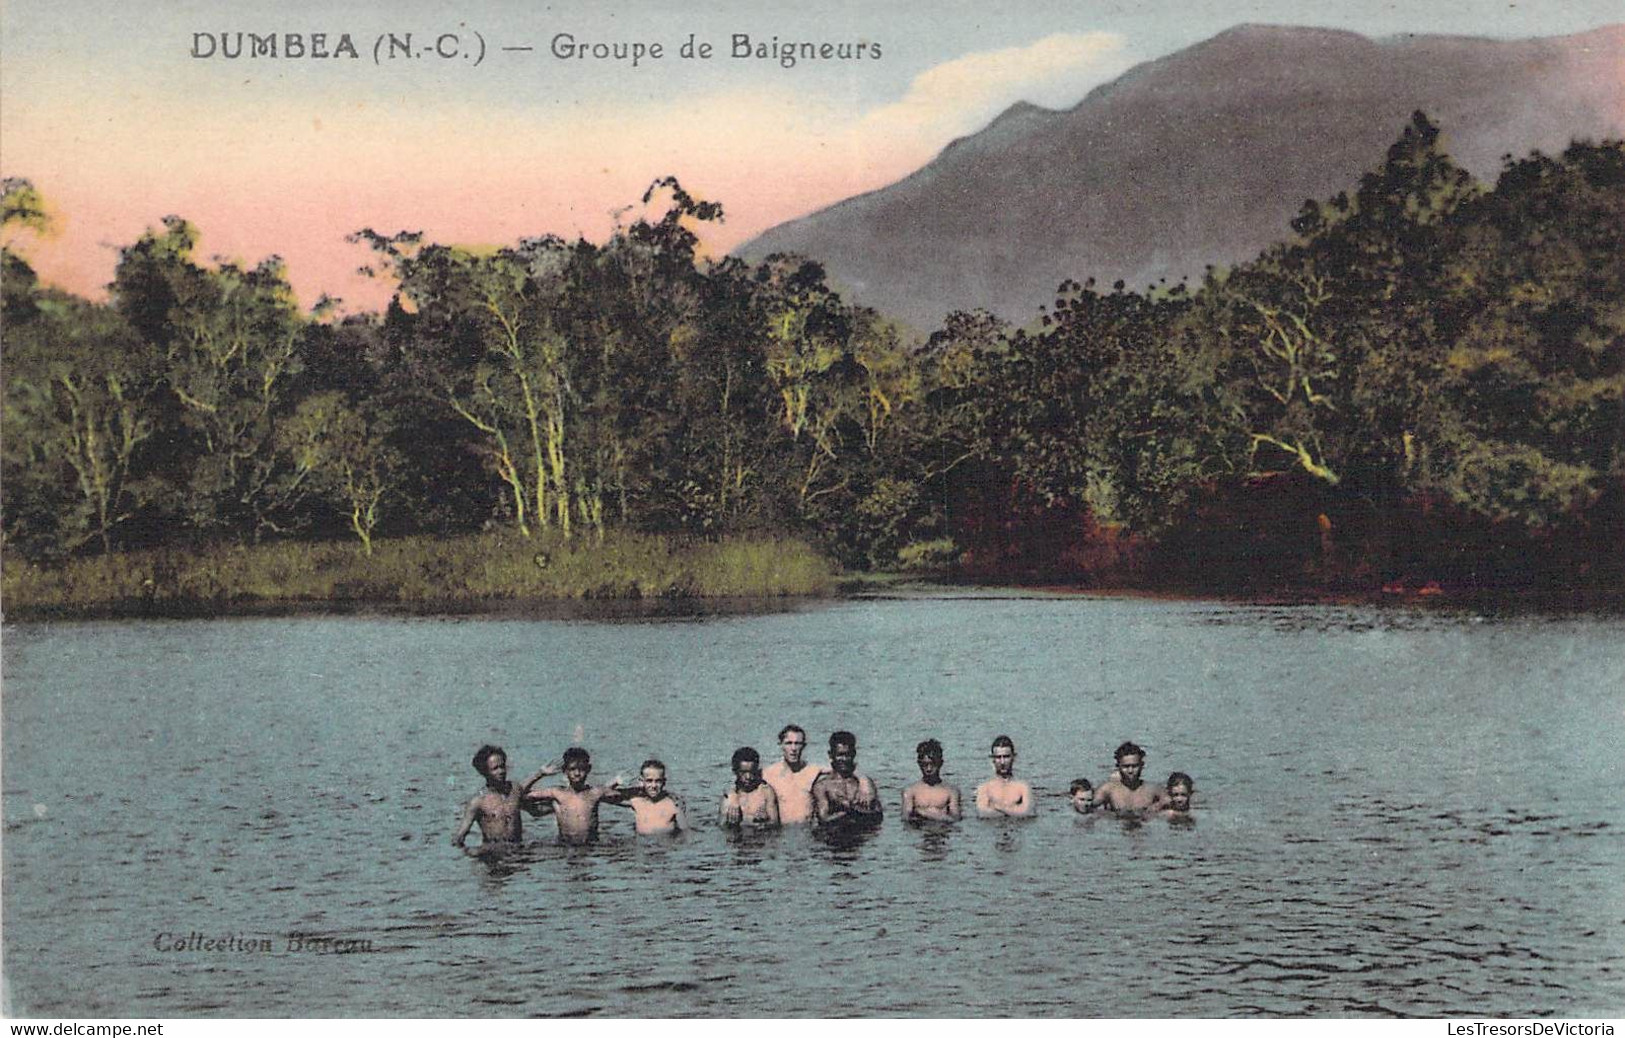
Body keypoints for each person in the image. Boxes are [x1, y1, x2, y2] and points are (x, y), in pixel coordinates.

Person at [451, 745, 560, 849]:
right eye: (495, 768)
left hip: (518, 849)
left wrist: (563, 806)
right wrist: (468, 854)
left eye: (502, 766)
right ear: (484, 771)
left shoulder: (514, 791)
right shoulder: (478, 802)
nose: (501, 771)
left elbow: (535, 811)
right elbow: (460, 837)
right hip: (494, 854)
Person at [528, 746, 626, 844]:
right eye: (572, 769)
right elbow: (522, 795)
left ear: (588, 769)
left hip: (591, 845)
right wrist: (540, 774)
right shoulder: (557, 793)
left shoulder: (595, 793)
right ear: (564, 770)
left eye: (582, 769)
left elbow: (626, 797)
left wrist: (620, 782)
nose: (577, 773)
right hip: (565, 846)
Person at [811, 731, 882, 829]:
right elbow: (824, 819)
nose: (844, 759)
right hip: (834, 838)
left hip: (861, 837)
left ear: (854, 754)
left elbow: (878, 815)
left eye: (848, 755)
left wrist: (848, 808)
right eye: (840, 755)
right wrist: (852, 810)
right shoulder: (823, 786)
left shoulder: (864, 783)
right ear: (831, 755)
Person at [762, 724, 824, 824]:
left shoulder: (814, 771)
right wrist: (733, 798)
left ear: (804, 746)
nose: (793, 748)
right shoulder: (768, 774)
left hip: (806, 833)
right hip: (782, 833)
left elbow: (842, 772)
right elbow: (742, 783)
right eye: (789, 743)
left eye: (797, 743)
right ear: (780, 745)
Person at [609, 759, 689, 835]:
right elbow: (600, 794)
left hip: (666, 846)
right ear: (641, 781)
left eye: (658, 781)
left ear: (664, 782)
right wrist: (616, 781)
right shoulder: (636, 801)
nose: (653, 786)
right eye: (649, 781)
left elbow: (685, 833)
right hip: (642, 846)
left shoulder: (674, 804)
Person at [1094, 741, 1166, 815]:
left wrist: (1159, 806)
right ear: (1118, 766)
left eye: (1135, 766)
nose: (1130, 771)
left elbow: (1171, 804)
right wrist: (1107, 815)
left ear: (1142, 765)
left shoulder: (1153, 789)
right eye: (1126, 766)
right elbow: (1088, 808)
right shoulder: (1107, 789)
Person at [902, 738, 962, 822]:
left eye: (933, 764)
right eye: (925, 765)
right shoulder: (910, 791)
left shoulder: (951, 791)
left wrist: (924, 813)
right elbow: (906, 819)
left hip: (942, 831)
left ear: (940, 763)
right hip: (920, 831)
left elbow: (956, 819)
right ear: (919, 764)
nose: (929, 769)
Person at [721, 747, 781, 828]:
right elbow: (721, 826)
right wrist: (731, 823)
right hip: (737, 836)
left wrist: (764, 822)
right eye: (743, 772)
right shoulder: (730, 796)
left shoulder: (766, 792)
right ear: (735, 771)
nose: (748, 777)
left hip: (760, 837)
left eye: (752, 772)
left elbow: (775, 824)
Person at [974, 735, 1033, 817]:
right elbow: (983, 814)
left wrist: (996, 807)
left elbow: (1028, 812)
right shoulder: (984, 788)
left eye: (1006, 757)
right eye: (998, 757)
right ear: (993, 760)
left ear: (1013, 758)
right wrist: (1015, 809)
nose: (1002, 762)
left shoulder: (1023, 787)